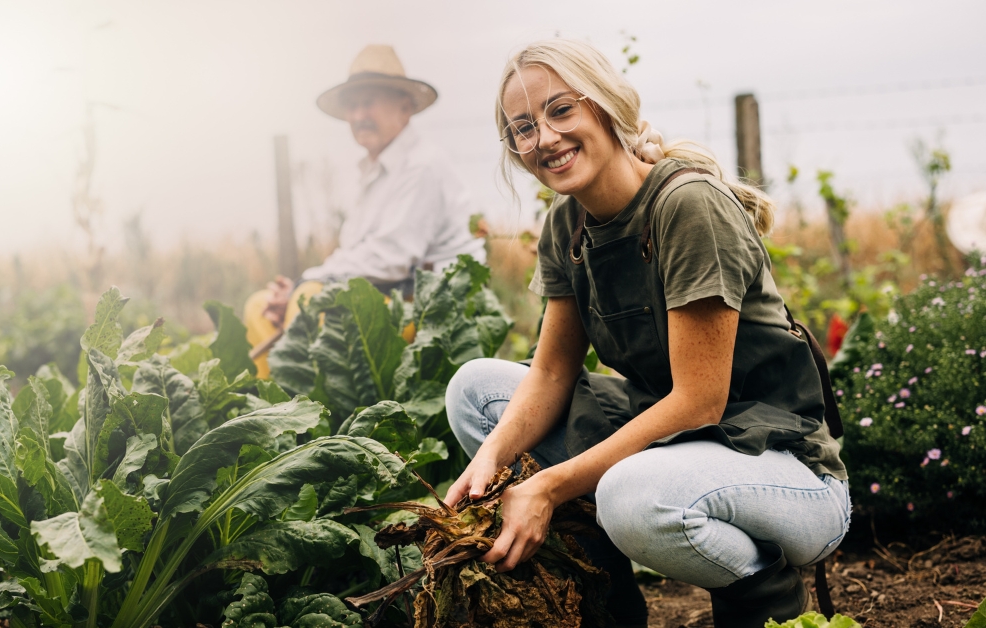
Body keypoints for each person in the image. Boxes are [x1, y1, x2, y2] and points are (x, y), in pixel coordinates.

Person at [443, 39, 849, 628]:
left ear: (605, 105)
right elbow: (551, 372)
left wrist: (549, 487)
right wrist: (491, 461)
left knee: (630, 497)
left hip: (785, 469)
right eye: (523, 128)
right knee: (475, 391)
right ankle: (606, 606)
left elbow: (699, 401)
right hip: (677, 449)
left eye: (561, 110)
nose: (545, 138)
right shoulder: (568, 225)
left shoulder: (686, 206)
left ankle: (767, 599)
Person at [245, 45, 485, 377]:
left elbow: (389, 259)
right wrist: (299, 288)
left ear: (404, 107)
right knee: (260, 306)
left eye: (368, 102)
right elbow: (354, 255)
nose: (358, 116)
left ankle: (312, 403)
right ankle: (273, 402)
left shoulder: (422, 166)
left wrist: (304, 284)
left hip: (429, 310)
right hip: (386, 296)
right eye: (352, 106)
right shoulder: (371, 172)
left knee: (310, 301)